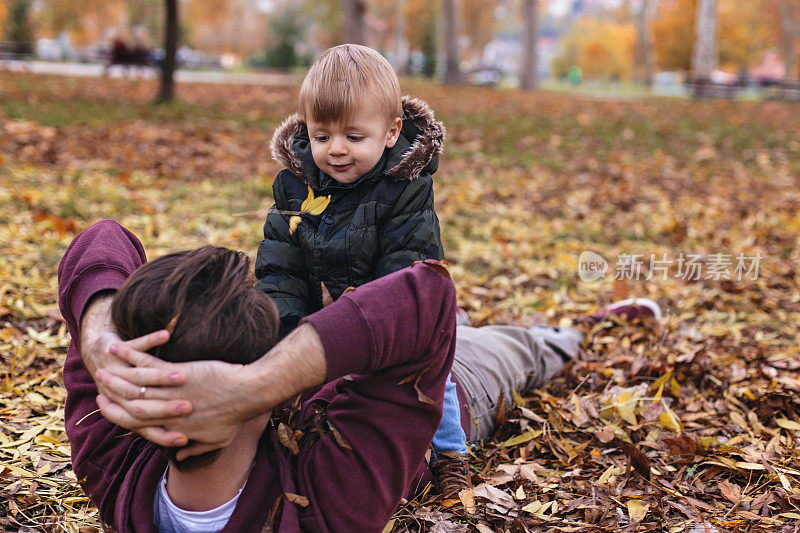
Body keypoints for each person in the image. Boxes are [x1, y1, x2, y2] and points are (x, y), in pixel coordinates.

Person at [61, 221, 661, 532]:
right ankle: (581, 327)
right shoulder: (324, 505)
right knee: (522, 348)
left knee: (430, 324)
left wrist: (99, 341)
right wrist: (258, 388)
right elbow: (428, 297)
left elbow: (100, 239)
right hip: (436, 388)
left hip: (364, 351)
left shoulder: (114, 460)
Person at [255, 43, 468, 492]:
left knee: (433, 379)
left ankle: (451, 455)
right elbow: (280, 262)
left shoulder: (405, 188)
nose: (335, 150)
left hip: (391, 315)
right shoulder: (295, 185)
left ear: (391, 133)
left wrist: (359, 315)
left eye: (354, 138)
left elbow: (406, 264)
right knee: (288, 368)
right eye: (321, 136)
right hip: (320, 315)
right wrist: (288, 322)